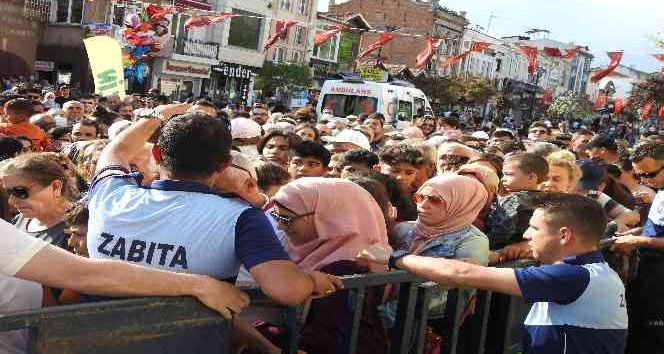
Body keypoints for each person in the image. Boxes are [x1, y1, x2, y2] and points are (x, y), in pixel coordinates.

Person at [88, 104, 341, 308]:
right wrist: (310, 280)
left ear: (156, 155)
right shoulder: (241, 218)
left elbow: (117, 150)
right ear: (224, 164)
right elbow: (288, 290)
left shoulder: (111, 193)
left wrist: (157, 116)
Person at [358, 192, 628, 354]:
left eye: (534, 229)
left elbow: (462, 273)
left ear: (564, 235)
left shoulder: (573, 277)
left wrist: (397, 258)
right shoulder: (591, 273)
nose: (525, 235)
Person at [270, 178, 391, 354]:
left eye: (286, 219)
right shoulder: (309, 251)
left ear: (326, 217)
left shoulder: (345, 267)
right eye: (276, 217)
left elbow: (329, 337)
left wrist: (265, 336)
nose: (280, 226)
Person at [613, 142, 664, 352]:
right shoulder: (660, 191)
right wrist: (638, 233)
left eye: (650, 174)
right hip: (647, 275)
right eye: (639, 176)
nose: (644, 181)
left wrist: (637, 241)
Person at [1, 153, 79, 249]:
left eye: (20, 191)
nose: (12, 201)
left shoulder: (77, 229)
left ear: (55, 187)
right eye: (9, 192)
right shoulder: (20, 220)